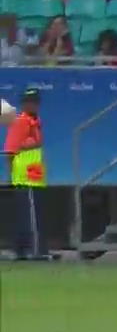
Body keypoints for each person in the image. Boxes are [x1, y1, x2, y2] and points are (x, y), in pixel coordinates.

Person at [4, 88, 52, 261]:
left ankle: (21, 250)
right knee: (31, 216)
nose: (34, 105)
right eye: (30, 102)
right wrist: (10, 176)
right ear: (24, 104)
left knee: (31, 214)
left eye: (36, 101)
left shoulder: (35, 122)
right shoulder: (21, 122)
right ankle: (36, 250)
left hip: (35, 176)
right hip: (25, 176)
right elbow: (10, 150)